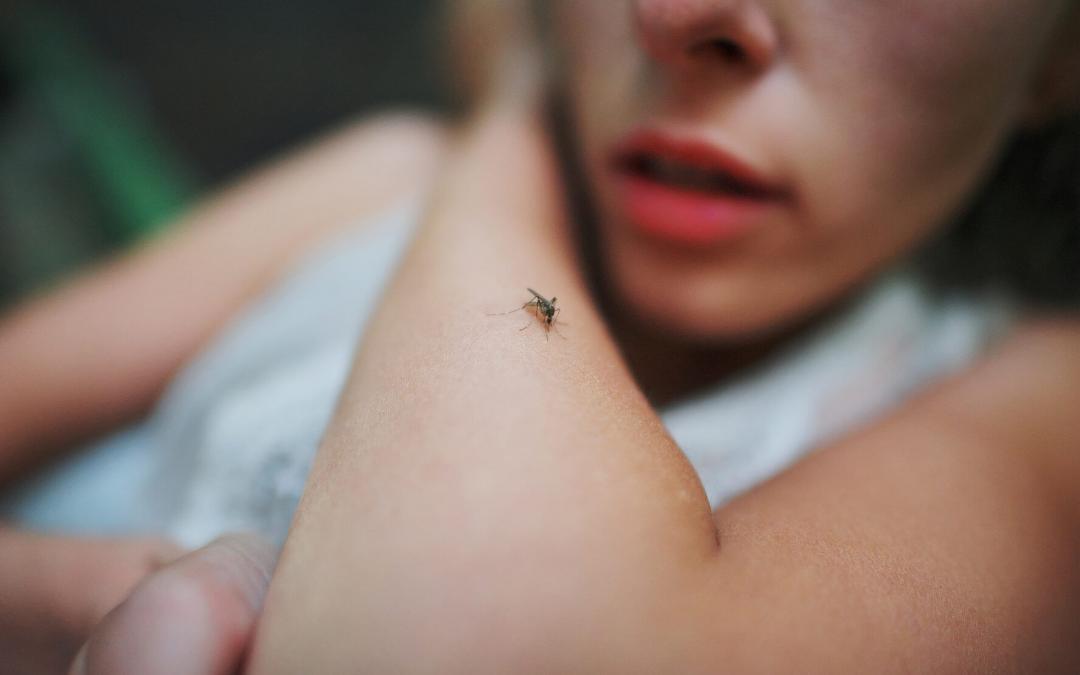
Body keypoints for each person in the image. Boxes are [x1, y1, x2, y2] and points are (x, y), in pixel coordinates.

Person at [1, 0, 1078, 671]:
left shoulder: (1036, 400)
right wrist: (80, 600)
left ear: (1057, 55)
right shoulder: (374, 189)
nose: (677, 15)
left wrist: (513, 122)